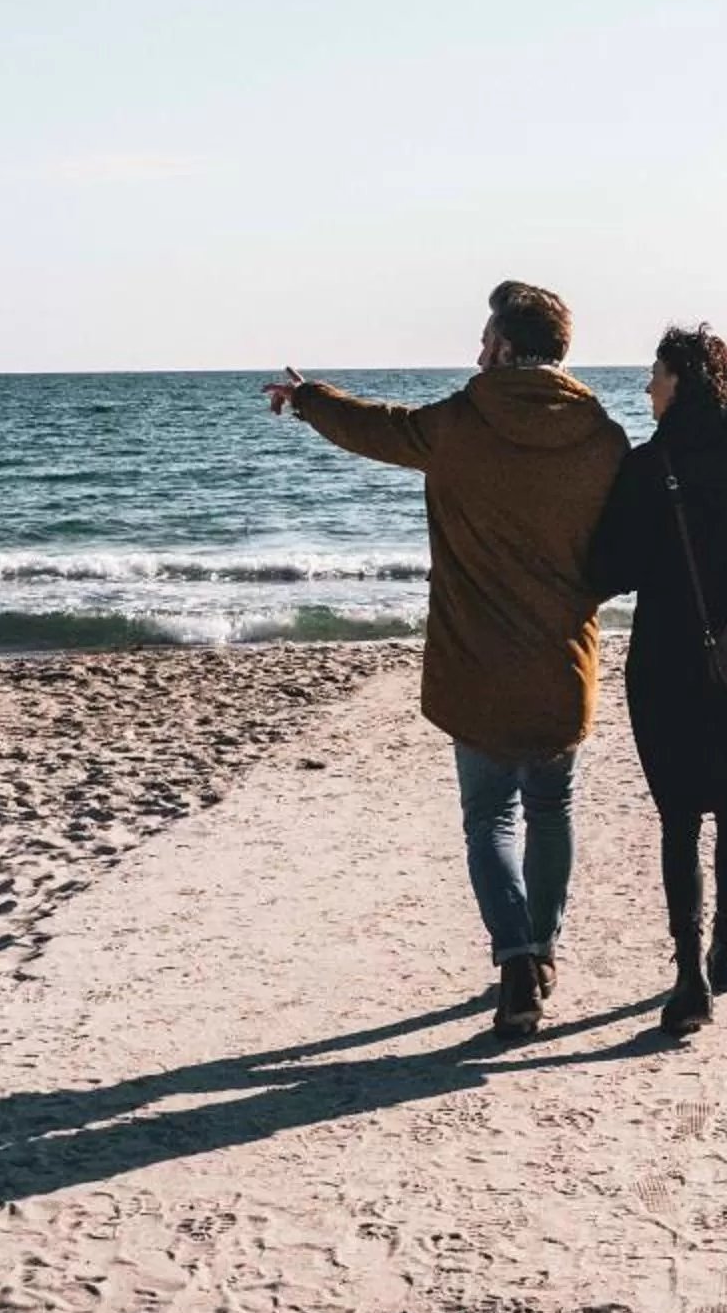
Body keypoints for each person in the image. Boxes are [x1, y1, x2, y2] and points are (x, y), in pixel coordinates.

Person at [266, 282, 628, 1036]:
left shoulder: (462, 423)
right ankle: (545, 948)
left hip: (477, 668)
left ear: (502, 346)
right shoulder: (601, 436)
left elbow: (377, 428)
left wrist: (307, 399)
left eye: (484, 337)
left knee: (489, 816)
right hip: (563, 663)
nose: (476, 350)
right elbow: (627, 542)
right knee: (552, 808)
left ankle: (517, 964)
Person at [587, 324, 727, 1036]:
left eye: (655, 374)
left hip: (665, 660)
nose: (648, 387)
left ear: (683, 380)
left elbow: (613, 568)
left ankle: (689, 976)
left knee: (681, 817)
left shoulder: (652, 466)